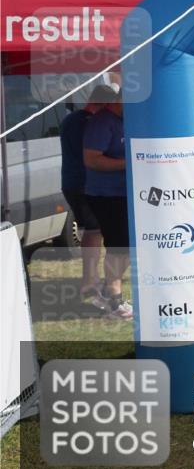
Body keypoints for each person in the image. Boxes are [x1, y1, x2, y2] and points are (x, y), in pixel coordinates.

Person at [60, 84, 118, 300]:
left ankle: (90, 280)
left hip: (73, 183)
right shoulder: (87, 123)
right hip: (84, 184)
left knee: (93, 231)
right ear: (102, 104)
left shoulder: (71, 119)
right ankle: (90, 282)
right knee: (94, 232)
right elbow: (94, 155)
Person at [82, 85, 132, 319]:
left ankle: (110, 292)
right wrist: (128, 163)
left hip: (123, 193)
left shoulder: (123, 120)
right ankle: (113, 298)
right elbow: (92, 160)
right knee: (118, 246)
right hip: (106, 195)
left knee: (125, 246)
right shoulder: (102, 122)